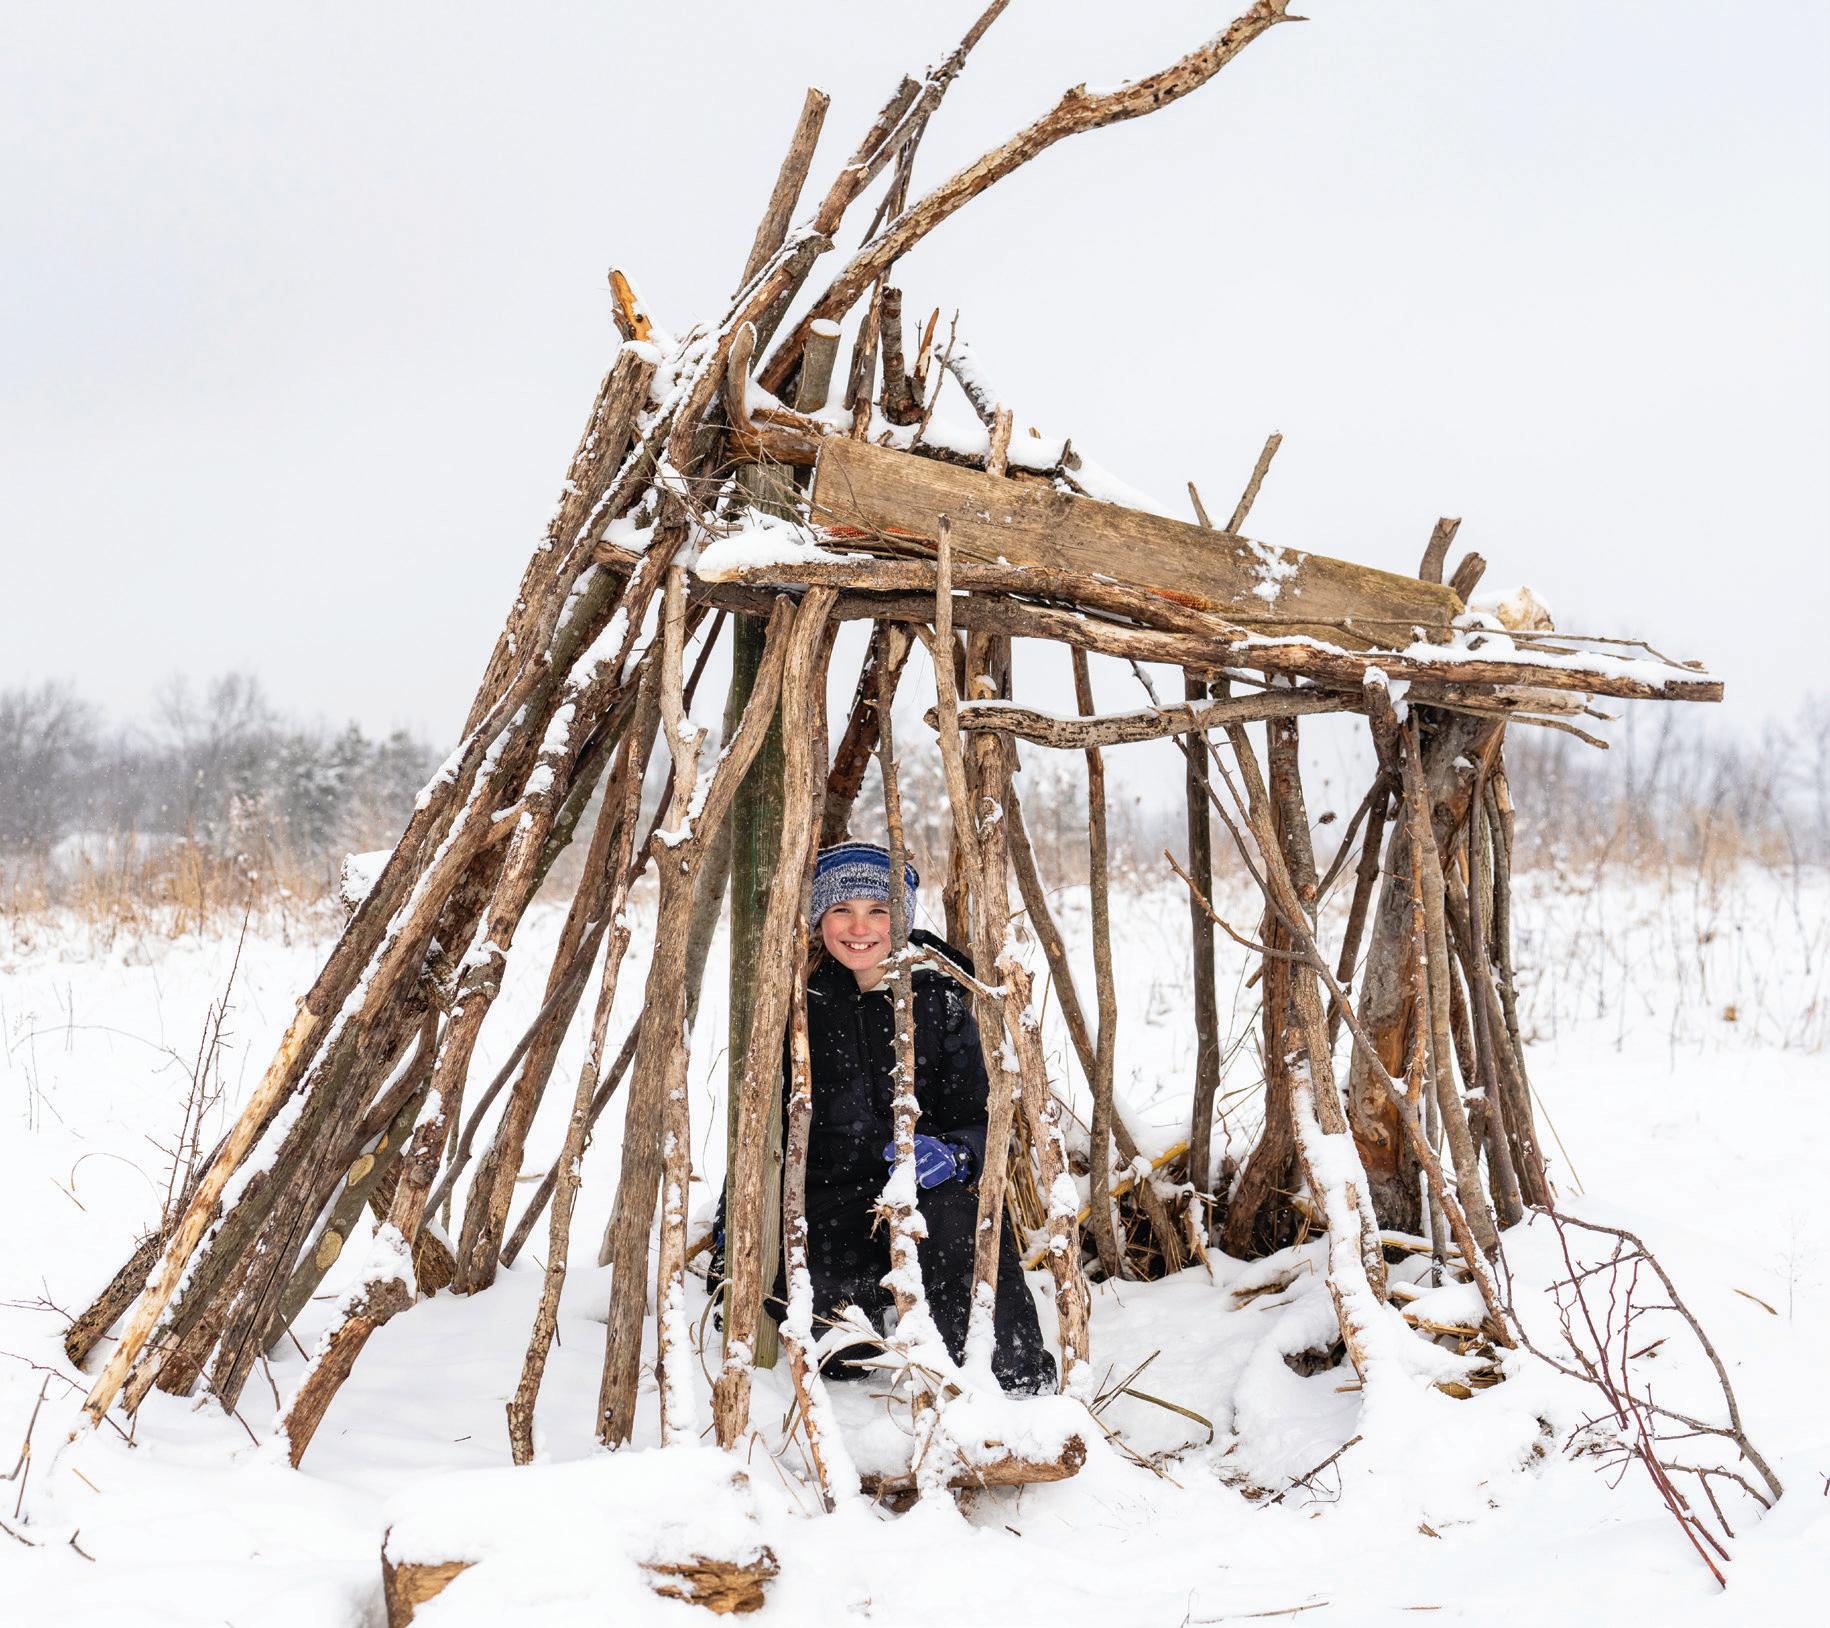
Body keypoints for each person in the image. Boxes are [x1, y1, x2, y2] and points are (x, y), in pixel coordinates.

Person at [792, 840, 1057, 1395]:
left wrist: (957, 1153)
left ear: (904, 918)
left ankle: (1017, 1386)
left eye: (878, 910)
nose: (859, 928)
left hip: (924, 1197)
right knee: (843, 1357)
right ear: (819, 918)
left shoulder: (940, 996)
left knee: (960, 1221)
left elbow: (985, 1118)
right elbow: (763, 1131)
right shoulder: (799, 1003)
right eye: (841, 909)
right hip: (831, 1204)